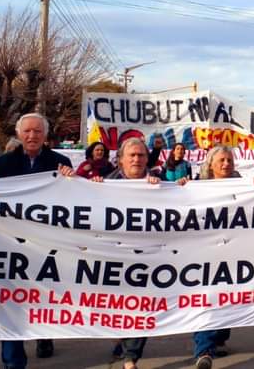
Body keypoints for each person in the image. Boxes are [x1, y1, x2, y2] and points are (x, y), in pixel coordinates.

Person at [0, 113, 73, 369]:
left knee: (44, 297)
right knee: (12, 302)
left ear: (45, 136)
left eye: (37, 132)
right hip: (12, 246)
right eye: (28, 131)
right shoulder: (3, 163)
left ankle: (44, 335)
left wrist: (72, 179)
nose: (32, 136)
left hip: (48, 246)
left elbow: (75, 200)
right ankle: (13, 362)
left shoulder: (60, 162)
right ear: (19, 134)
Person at [94, 137, 159, 369]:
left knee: (142, 305)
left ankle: (131, 357)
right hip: (113, 256)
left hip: (146, 258)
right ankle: (122, 340)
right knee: (118, 306)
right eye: (131, 155)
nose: (136, 159)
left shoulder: (158, 185)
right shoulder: (102, 184)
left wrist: (172, 186)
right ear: (120, 160)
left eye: (141, 155)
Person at [183, 146, 239, 368]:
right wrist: (178, 189)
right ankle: (203, 350)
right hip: (204, 253)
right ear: (210, 165)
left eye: (229, 160)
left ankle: (219, 339)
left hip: (233, 252)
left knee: (227, 299)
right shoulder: (197, 187)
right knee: (204, 300)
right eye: (221, 160)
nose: (226, 164)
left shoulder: (244, 186)